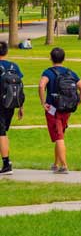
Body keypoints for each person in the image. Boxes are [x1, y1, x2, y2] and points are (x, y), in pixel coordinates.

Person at [38, 47, 81, 174]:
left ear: (50, 58)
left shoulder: (48, 72)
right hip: (67, 108)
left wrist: (43, 102)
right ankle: (56, 164)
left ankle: (64, 166)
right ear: (64, 58)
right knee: (60, 134)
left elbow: (41, 85)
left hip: (53, 109)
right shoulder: (70, 73)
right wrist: (78, 101)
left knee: (59, 137)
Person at [0, 42, 25, 175]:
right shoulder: (14, 66)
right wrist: (21, 106)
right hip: (10, 104)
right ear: (6, 52)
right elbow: (20, 87)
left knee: (1, 133)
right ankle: (6, 162)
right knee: (3, 132)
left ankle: (6, 164)